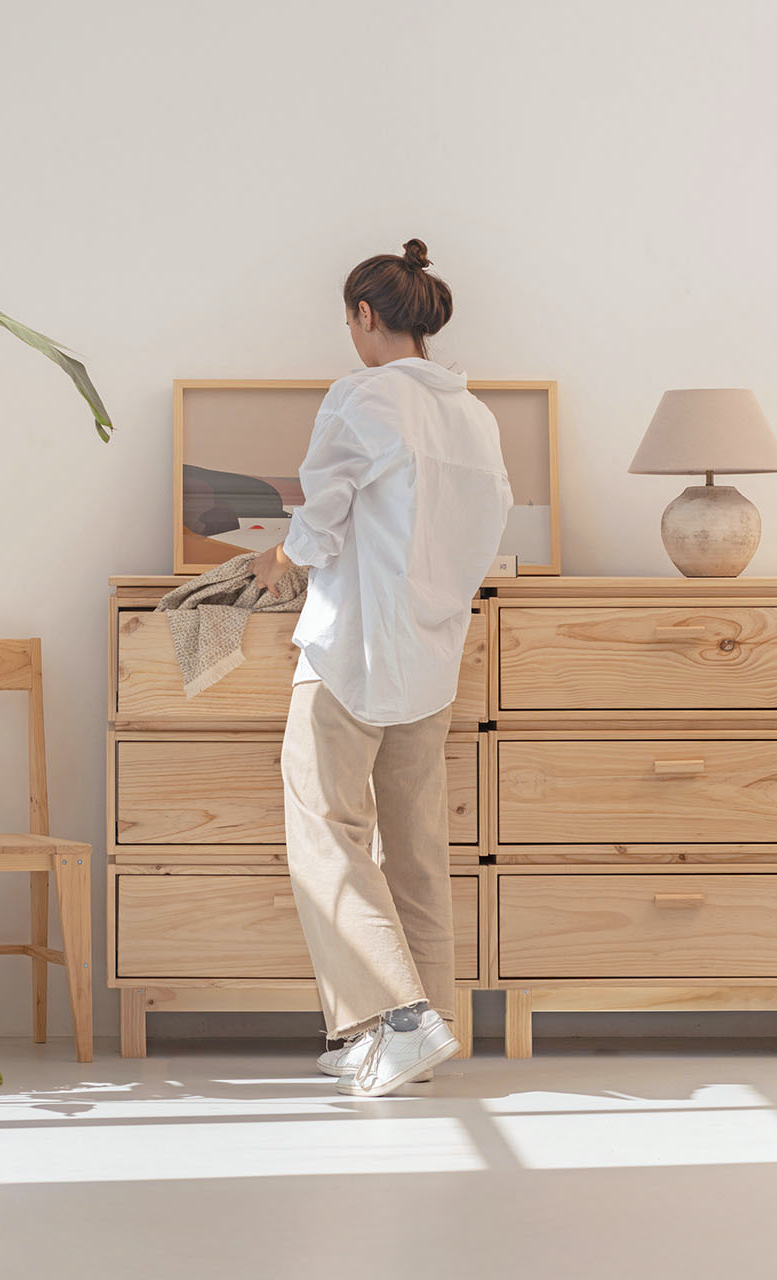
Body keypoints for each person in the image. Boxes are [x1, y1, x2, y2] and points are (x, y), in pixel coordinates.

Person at [249, 239, 512, 1097]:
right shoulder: (475, 418)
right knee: (415, 850)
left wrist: (278, 557)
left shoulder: (361, 397)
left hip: (352, 651)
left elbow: (321, 518)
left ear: (366, 316)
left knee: (323, 831)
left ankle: (398, 1019)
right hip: (433, 660)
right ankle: (413, 1032)